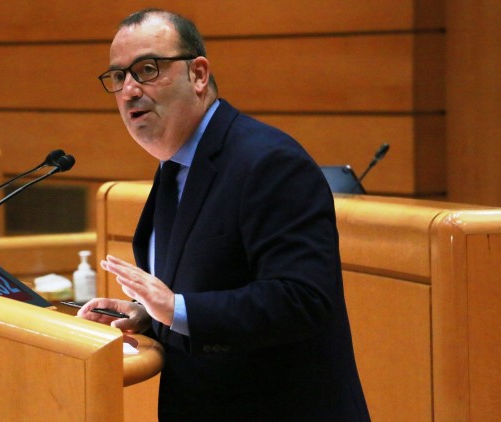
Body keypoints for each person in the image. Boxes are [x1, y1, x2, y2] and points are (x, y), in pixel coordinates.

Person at [78, 8, 370, 420]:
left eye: (147, 69)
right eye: (118, 76)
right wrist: (150, 315)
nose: (129, 90)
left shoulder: (268, 161)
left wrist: (175, 308)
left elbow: (302, 300)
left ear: (198, 74)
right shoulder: (177, 166)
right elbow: (208, 285)